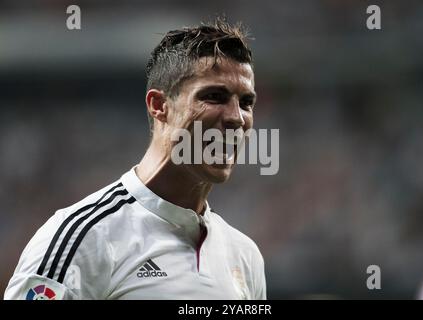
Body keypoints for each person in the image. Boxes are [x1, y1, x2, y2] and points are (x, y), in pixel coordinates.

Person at [4, 18, 266, 300]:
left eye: (246, 103)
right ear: (159, 106)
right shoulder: (84, 238)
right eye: (214, 96)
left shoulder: (245, 256)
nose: (236, 118)